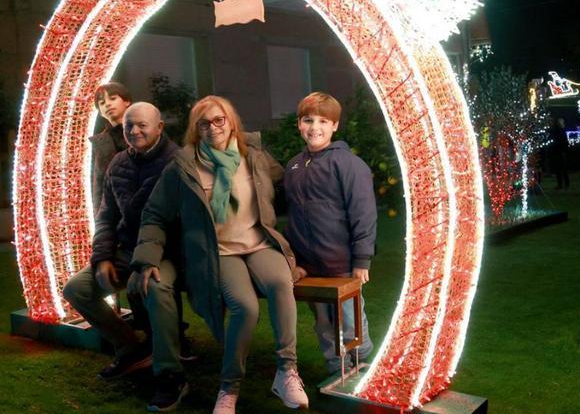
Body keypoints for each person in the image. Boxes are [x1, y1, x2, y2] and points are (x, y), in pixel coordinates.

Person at [133, 96, 308, 413]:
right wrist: (146, 259)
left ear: (231, 122)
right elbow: (155, 214)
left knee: (283, 284)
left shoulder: (254, 158)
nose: (213, 128)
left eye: (219, 120)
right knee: (245, 307)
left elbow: (291, 182)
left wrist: (325, 169)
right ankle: (229, 388)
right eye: (204, 123)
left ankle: (286, 372)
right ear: (196, 130)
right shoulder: (183, 168)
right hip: (219, 253)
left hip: (259, 243)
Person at [63, 103, 177, 384]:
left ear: (159, 127)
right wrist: (102, 257)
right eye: (129, 126)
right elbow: (106, 216)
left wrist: (145, 261)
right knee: (77, 289)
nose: (134, 131)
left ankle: (170, 372)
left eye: (142, 125)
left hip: (167, 250)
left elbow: (177, 222)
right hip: (126, 249)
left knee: (153, 287)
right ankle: (131, 348)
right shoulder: (118, 163)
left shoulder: (177, 162)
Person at [283, 92, 376, 375]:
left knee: (350, 319)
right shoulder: (294, 166)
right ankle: (336, 365)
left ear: (335, 126)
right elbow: (292, 216)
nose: (315, 127)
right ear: (299, 124)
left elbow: (363, 213)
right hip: (310, 267)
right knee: (323, 321)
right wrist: (294, 259)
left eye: (323, 121)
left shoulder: (349, 165)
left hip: (342, 264)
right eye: (308, 120)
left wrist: (362, 259)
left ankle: (362, 364)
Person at [90, 82, 132, 214]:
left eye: (113, 98)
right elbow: (99, 185)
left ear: (127, 101)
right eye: (102, 103)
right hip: (116, 215)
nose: (107, 104)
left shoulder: (145, 131)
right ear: (100, 113)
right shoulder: (100, 143)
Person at [548, 117, 570, 189]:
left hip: (559, 151)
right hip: (559, 151)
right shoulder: (559, 131)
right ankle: (564, 184)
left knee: (561, 169)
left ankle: (563, 184)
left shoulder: (556, 131)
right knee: (561, 169)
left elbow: (563, 141)